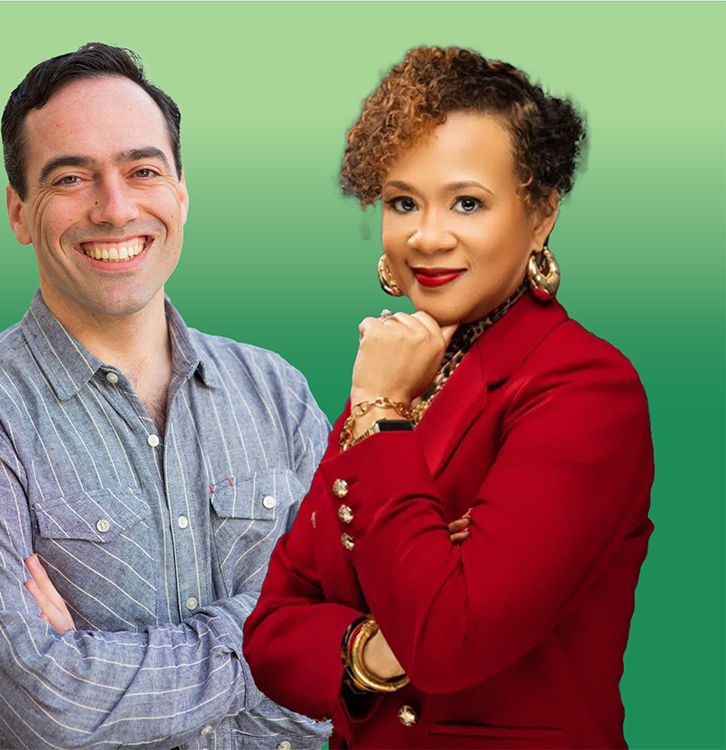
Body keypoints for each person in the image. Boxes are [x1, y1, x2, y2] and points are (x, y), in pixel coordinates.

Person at [0, 42, 337, 750]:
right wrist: (281, 631)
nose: (115, 206)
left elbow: (370, 619)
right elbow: (42, 706)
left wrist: (101, 673)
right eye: (71, 178)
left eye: (143, 170)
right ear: (17, 211)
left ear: (181, 193)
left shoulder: (277, 391)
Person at [243, 46, 654, 749]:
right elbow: (271, 633)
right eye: (403, 202)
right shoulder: (402, 377)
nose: (426, 237)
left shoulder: (583, 387)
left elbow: (448, 639)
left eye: (467, 202)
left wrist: (380, 417)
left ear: (541, 213)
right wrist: (372, 652)